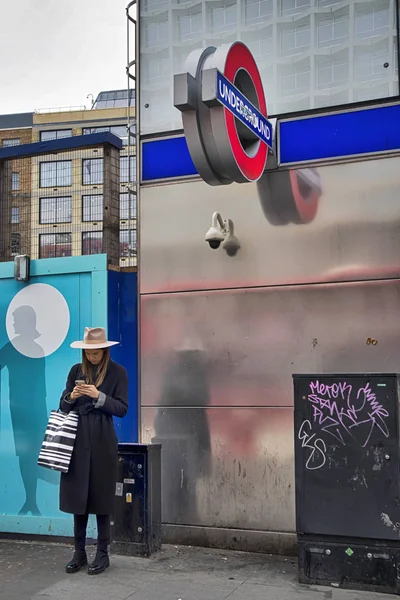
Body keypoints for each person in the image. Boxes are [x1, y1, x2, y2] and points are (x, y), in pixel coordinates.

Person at [59, 327, 128, 575]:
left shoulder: (118, 372)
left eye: (96, 353)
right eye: (88, 353)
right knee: (78, 495)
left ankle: (102, 553)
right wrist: (72, 395)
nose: (91, 357)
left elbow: (122, 408)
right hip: (77, 438)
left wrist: (99, 396)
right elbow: (63, 406)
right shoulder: (75, 371)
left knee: (101, 495)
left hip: (102, 437)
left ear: (105, 351)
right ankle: (79, 551)